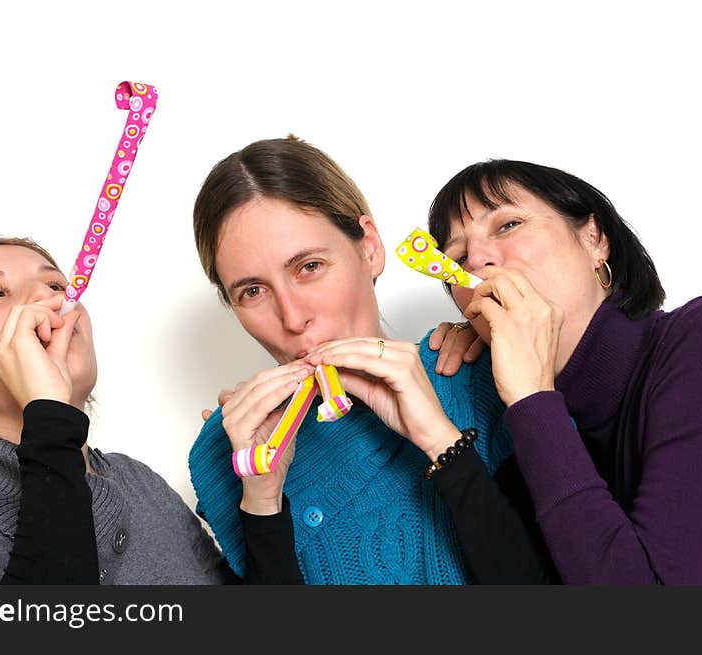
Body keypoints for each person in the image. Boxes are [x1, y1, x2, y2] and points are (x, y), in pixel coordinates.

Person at [189, 137, 557, 584]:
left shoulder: (487, 377)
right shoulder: (224, 456)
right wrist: (262, 506)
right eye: (252, 291)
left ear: (369, 247)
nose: (293, 317)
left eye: (309, 267)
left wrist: (446, 445)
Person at [0, 237, 286, 584]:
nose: (50, 302)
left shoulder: (140, 483)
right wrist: (47, 412)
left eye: (55, 286)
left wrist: (262, 499)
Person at [423, 159, 702, 584]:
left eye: (508, 225)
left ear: (595, 239)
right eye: (458, 256)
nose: (477, 261)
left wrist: (532, 396)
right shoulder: (510, 430)